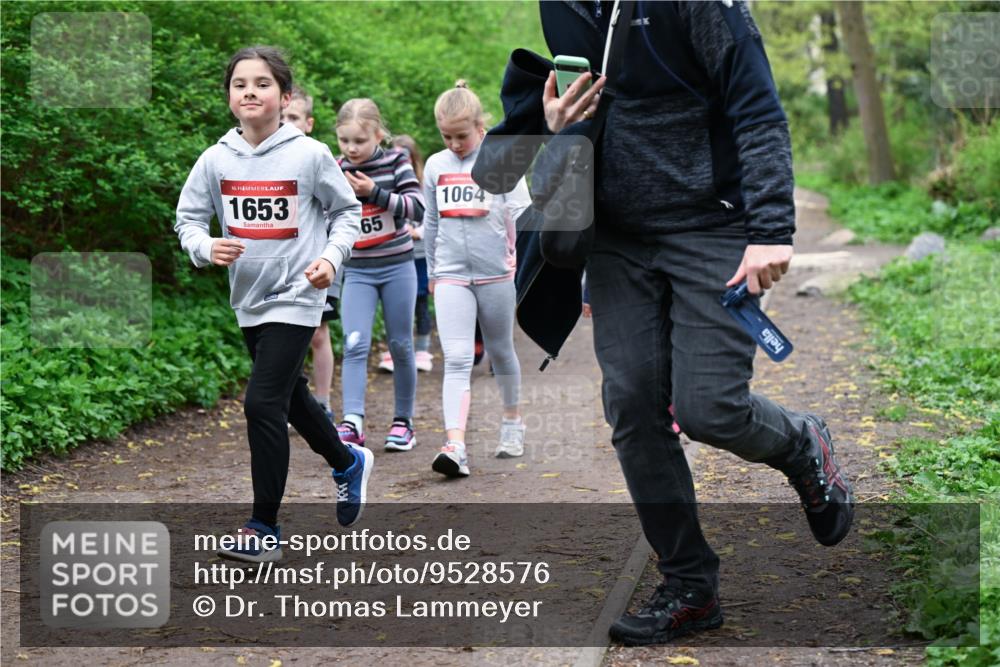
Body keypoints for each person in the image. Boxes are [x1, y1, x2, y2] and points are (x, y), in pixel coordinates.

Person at [535, 0, 855, 645]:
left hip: (713, 228)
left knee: (710, 408)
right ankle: (689, 585)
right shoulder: (560, 4)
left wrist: (770, 229)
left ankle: (800, 443)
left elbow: (757, 106)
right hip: (617, 240)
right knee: (631, 404)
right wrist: (555, 133)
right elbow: (563, 115)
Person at [174, 46, 373, 563]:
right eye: (240, 84)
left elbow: (346, 213)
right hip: (249, 298)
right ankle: (346, 460)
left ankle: (263, 528)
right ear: (229, 98)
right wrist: (205, 246)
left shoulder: (309, 154)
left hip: (299, 295)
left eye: (262, 84)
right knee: (289, 397)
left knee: (261, 401)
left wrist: (331, 259)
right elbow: (188, 221)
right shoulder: (215, 159)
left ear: (284, 98)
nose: (250, 92)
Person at [423, 81, 531, 476]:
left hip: (495, 275)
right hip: (451, 275)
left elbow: (523, 217)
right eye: (446, 136)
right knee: (456, 358)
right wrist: (434, 273)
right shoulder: (435, 167)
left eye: (462, 136)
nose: (454, 144)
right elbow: (431, 221)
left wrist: (520, 264)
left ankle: (512, 421)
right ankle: (455, 445)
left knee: (501, 351)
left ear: (481, 128)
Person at [335, 99, 425, 452]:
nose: (351, 149)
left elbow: (416, 207)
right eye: (344, 141)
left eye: (359, 140)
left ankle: (404, 422)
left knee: (401, 345)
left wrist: (373, 193)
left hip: (398, 267)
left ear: (378, 135)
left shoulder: (395, 161)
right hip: (357, 270)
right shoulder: (335, 167)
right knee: (354, 343)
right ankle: (352, 421)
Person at [281, 84, 340, 421]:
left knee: (318, 332)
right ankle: (293, 401)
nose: (287, 123)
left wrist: (330, 254)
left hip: (318, 262)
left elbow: (340, 210)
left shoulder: (317, 156)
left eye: (294, 117)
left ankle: (322, 402)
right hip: (283, 265)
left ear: (308, 122)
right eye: (283, 117)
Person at [380, 134, 435, 374]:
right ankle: (396, 350)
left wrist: (418, 232)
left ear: (413, 158)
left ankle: (422, 350)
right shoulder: (386, 184)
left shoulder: (423, 185)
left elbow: (432, 217)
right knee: (394, 305)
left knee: (421, 303)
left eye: (405, 155)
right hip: (395, 254)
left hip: (419, 255)